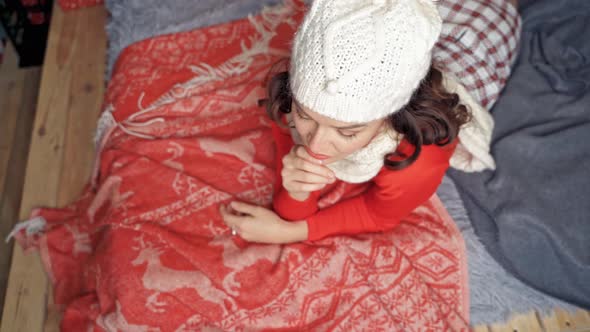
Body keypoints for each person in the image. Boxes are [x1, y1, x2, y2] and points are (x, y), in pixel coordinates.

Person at [220, 0, 506, 244]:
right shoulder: (289, 101)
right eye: (305, 116)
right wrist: (297, 190)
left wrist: (294, 233)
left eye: (347, 132)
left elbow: (379, 213)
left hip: (480, 29)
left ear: (389, 120)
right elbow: (293, 203)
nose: (315, 144)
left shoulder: (419, 157)